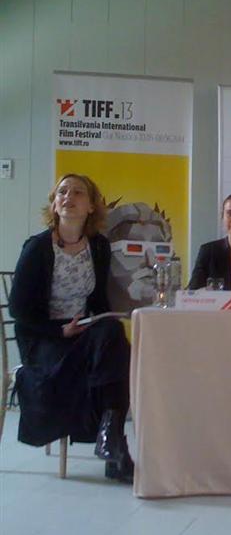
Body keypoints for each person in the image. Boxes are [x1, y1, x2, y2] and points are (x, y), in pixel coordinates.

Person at [9, 174, 134, 483]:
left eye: (78, 192)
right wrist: (59, 331)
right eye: (62, 192)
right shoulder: (37, 248)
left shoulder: (99, 246)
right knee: (113, 351)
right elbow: (19, 310)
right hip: (44, 338)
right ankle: (114, 447)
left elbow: (98, 299)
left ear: (91, 206)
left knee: (114, 335)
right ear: (54, 204)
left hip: (81, 332)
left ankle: (110, 438)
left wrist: (110, 318)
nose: (68, 197)